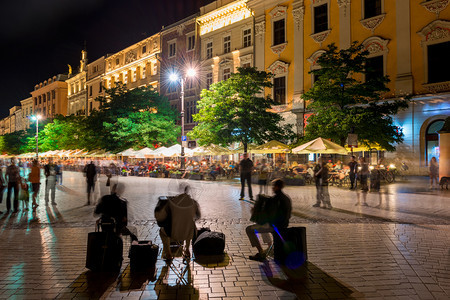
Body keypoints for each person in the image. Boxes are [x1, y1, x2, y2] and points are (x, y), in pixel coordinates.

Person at [246, 179, 292, 261]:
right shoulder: (286, 198)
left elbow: (270, 216)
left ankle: (261, 253)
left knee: (249, 229)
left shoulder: (275, 200)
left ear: (277, 187)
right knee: (262, 224)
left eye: (273, 186)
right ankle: (270, 246)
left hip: (276, 226)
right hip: (284, 224)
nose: (272, 188)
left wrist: (256, 212)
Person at [155, 183, 201, 260]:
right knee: (189, 226)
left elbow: (160, 217)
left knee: (162, 231)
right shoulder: (194, 202)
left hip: (174, 234)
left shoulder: (171, 202)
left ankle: (168, 253)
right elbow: (198, 216)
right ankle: (187, 250)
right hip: (190, 234)